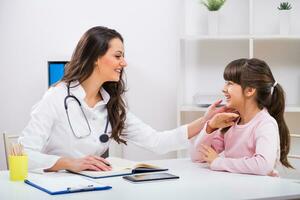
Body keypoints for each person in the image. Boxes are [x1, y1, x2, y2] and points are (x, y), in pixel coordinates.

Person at [18, 26, 238, 172]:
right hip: (56, 190)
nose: (124, 63)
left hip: (94, 188)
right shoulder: (56, 97)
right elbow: (23, 154)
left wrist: (206, 121)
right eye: (118, 55)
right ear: (95, 58)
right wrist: (68, 163)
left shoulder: (111, 105)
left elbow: (157, 142)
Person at [190, 58, 293, 176]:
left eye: (230, 83)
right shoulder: (231, 122)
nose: (223, 89)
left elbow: (263, 166)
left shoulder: (265, 124)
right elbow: (197, 157)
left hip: (260, 192)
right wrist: (210, 127)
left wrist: (219, 162)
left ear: (249, 90)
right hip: (236, 189)